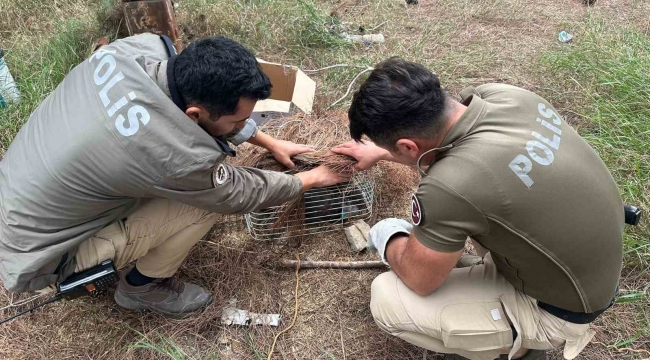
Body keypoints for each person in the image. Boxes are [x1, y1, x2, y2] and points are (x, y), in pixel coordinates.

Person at [0, 34, 347, 318]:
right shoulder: (172, 156)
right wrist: (312, 178)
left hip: (18, 200)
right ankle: (140, 288)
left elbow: (191, 110)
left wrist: (268, 141)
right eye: (237, 124)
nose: (244, 128)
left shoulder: (136, 50)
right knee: (205, 205)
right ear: (194, 115)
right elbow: (235, 192)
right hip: (39, 257)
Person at [332, 57, 624, 360]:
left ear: (407, 147)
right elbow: (448, 149)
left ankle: (518, 342)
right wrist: (381, 152)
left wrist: (388, 236)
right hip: (593, 264)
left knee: (387, 298)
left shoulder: (451, 186)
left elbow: (420, 280)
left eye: (395, 149)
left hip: (565, 308)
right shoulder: (505, 96)